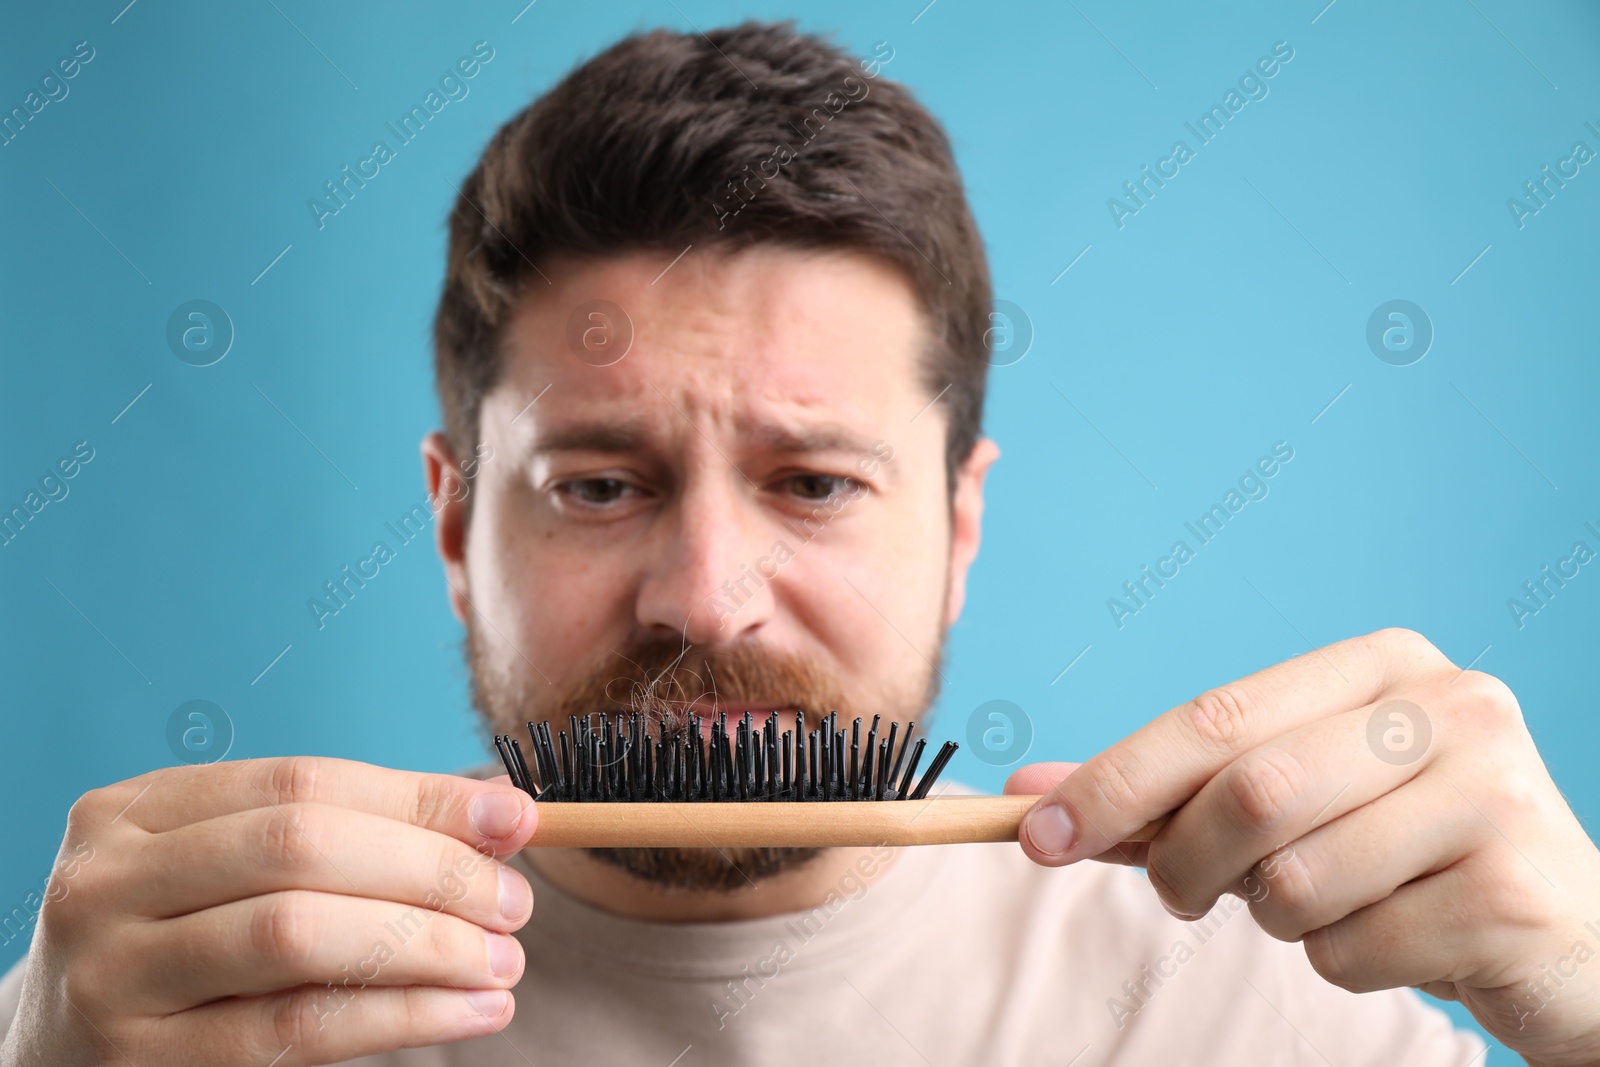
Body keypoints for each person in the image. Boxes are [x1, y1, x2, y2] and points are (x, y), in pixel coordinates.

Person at [3, 21, 1597, 1067]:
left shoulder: (1258, 1014)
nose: (708, 599)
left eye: (815, 483)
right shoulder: (184, 1025)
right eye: (600, 485)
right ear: (448, 521)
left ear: (959, 522)